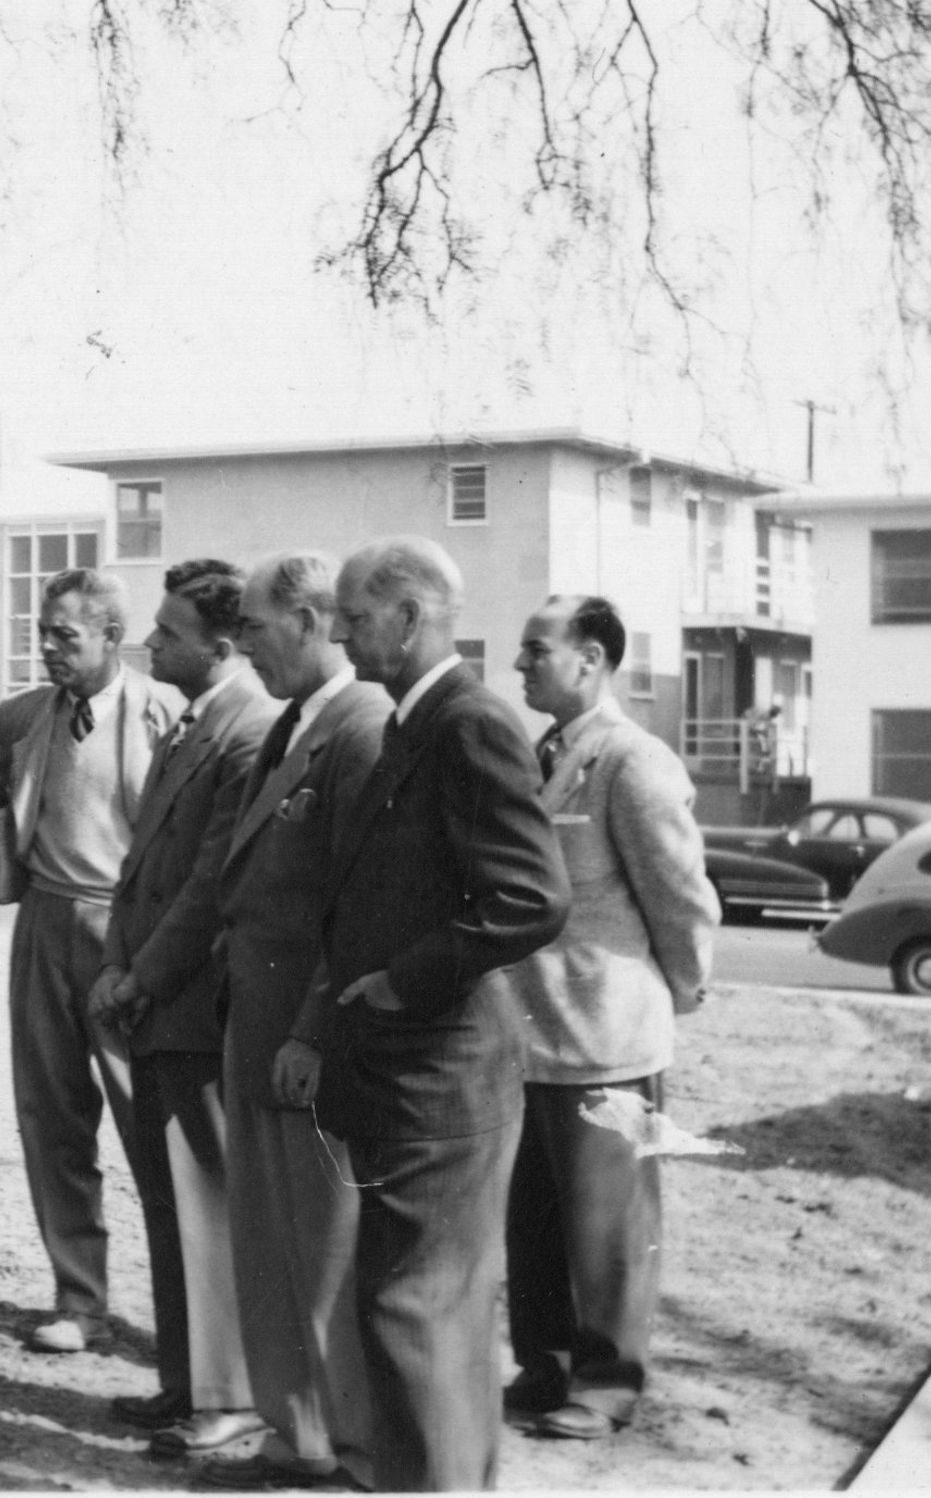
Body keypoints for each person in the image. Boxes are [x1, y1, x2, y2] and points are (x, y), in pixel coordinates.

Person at [282, 535, 569, 1491]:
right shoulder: (418, 720)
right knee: (421, 1313)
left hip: (441, 1067)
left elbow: (531, 898)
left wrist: (407, 978)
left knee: (416, 1310)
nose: (343, 633)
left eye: (356, 618)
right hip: (409, 1065)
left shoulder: (467, 723)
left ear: (408, 621)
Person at [125, 552, 390, 1492]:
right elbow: (226, 884)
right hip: (253, 1022)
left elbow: (356, 911)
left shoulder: (360, 729)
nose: (247, 649)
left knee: (322, 1247)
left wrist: (314, 1029)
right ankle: (292, 1434)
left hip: (301, 1040)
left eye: (262, 632)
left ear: (314, 623)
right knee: (269, 1242)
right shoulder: (288, 727)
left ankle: (344, 1446)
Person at [498, 595, 717, 1440]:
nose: (520, 666)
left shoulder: (634, 761)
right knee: (539, 1218)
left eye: (535, 649)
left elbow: (681, 896)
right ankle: (545, 1364)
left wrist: (681, 989)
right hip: (533, 1032)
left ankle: (608, 1381)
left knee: (609, 1225)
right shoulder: (539, 754)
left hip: (606, 1033)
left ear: (590, 659)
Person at [80, 559, 281, 1460]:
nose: (149, 642)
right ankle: (185, 1377)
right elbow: (144, 869)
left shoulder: (248, 730)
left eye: (168, 633)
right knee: (168, 1198)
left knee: (206, 1198)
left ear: (223, 646)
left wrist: (140, 976)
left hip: (195, 1010)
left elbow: (208, 888)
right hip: (158, 1001)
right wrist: (121, 964)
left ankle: (229, 1393)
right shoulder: (196, 720)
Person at [0, 569, 183, 1357]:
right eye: (43, 631)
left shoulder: (163, 713)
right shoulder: (22, 716)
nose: (48, 647)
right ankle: (80, 1299)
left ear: (111, 635)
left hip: (127, 932)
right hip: (43, 923)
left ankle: (187, 1315)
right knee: (51, 1118)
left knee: (150, 1124)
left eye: (66, 634)